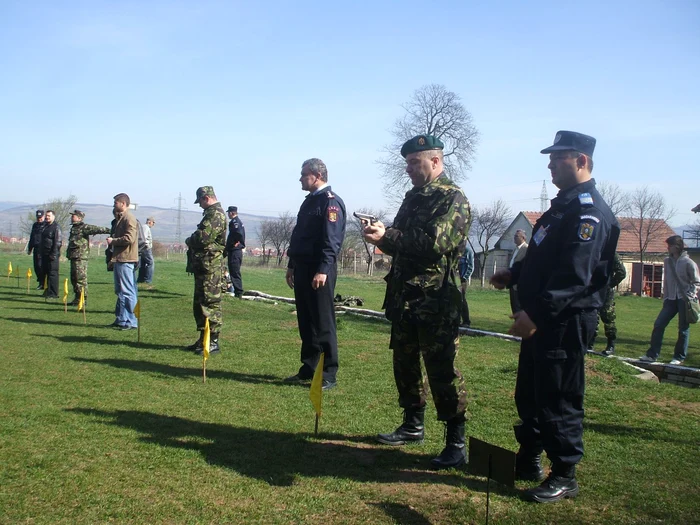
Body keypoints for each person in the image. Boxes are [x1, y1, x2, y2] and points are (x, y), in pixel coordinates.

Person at [490, 131, 619, 503]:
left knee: (559, 395)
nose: (549, 164)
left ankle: (564, 474)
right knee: (530, 392)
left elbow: (574, 275)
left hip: (563, 320)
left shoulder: (589, 211)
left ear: (581, 161)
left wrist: (536, 313)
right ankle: (528, 458)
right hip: (539, 318)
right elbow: (545, 259)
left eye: (557, 158)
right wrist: (513, 275)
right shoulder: (561, 207)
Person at [362, 135, 470, 470]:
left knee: (442, 370)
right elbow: (403, 243)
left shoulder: (453, 199)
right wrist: (382, 234)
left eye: (414, 162)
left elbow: (434, 243)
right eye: (407, 162)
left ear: (435, 161)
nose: (408, 169)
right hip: (405, 298)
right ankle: (413, 424)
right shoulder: (413, 197)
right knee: (405, 365)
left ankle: (456, 443)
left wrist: (389, 236)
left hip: (436, 300)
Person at [285, 158, 346, 390]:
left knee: (323, 321)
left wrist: (323, 270)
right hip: (302, 267)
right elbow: (300, 236)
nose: (300, 179)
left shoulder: (330, 203)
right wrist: (291, 265)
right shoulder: (309, 202)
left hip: (319, 269)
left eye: (304, 174)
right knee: (306, 320)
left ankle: (328, 372)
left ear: (317, 175)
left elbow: (332, 241)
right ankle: (310, 366)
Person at [639, 236, 700, 365]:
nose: (668, 248)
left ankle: (679, 357)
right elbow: (666, 281)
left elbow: (696, 281)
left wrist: (689, 294)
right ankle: (652, 355)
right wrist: (665, 297)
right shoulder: (667, 262)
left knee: (683, 328)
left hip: (684, 300)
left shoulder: (688, 263)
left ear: (677, 246)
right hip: (670, 299)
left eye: (670, 245)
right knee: (659, 324)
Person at [185, 186, 226, 355]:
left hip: (211, 268)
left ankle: (213, 341)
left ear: (206, 198)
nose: (200, 205)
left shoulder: (215, 214)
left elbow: (202, 237)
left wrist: (189, 239)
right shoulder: (210, 213)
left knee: (210, 302)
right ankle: (203, 339)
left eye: (200, 201)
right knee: (200, 303)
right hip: (204, 266)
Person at [106, 193, 139, 330]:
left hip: (126, 259)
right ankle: (122, 319)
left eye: (116, 203)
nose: (114, 205)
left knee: (128, 291)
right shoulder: (121, 218)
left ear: (123, 204)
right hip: (120, 258)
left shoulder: (129, 218)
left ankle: (131, 321)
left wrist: (113, 241)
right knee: (120, 291)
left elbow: (129, 238)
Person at [66, 210, 110, 306]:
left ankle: (83, 299)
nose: (72, 217)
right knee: (74, 278)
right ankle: (77, 298)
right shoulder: (74, 228)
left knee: (80, 278)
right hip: (74, 256)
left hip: (81, 257)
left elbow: (98, 229)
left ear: (79, 218)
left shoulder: (84, 227)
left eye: (74, 216)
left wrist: (111, 231)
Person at [595, 253, 627, 355]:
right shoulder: (593, 248)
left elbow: (621, 272)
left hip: (605, 290)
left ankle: (611, 344)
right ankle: (589, 343)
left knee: (608, 316)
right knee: (591, 315)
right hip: (591, 289)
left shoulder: (611, 253)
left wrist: (610, 284)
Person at [40, 210, 62, 299]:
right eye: (46, 216)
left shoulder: (56, 227)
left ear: (53, 216)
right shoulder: (45, 226)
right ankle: (48, 291)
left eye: (49, 216)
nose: (47, 217)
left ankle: (54, 293)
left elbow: (58, 242)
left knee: (53, 274)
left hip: (52, 254)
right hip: (45, 254)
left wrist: (54, 254)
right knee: (46, 273)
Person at [224, 206, 245, 297]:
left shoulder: (235, 222)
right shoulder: (237, 221)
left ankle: (238, 292)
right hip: (234, 250)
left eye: (229, 212)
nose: (228, 214)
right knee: (233, 270)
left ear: (232, 213)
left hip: (235, 250)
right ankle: (237, 291)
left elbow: (238, 233)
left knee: (234, 271)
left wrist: (235, 243)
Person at [509, 229, 529, 313]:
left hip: (519, 283)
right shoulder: (515, 249)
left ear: (523, 238)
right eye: (514, 236)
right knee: (514, 306)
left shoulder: (526, 249)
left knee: (519, 307)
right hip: (512, 282)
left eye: (516, 236)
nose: (514, 238)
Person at [27, 210, 46, 289]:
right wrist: (30, 248)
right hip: (36, 249)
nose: (39, 219)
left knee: (41, 266)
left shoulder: (46, 225)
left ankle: (43, 283)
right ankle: (40, 282)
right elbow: (32, 237)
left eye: (41, 217)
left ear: (44, 216)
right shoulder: (35, 225)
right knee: (36, 267)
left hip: (43, 249)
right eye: (38, 217)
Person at [458, 245, 474, 326]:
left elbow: (471, 266)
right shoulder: (453, 249)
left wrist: (465, 277)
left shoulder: (468, 251)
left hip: (462, 279)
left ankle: (466, 321)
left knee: (462, 300)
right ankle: (456, 320)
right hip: (453, 278)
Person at [137, 217, 155, 285]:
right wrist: (146, 245)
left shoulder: (144, 227)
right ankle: (148, 280)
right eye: (153, 223)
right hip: (145, 248)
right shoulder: (145, 227)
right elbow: (143, 238)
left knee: (143, 264)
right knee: (151, 263)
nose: (153, 225)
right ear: (150, 222)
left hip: (143, 248)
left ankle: (141, 279)